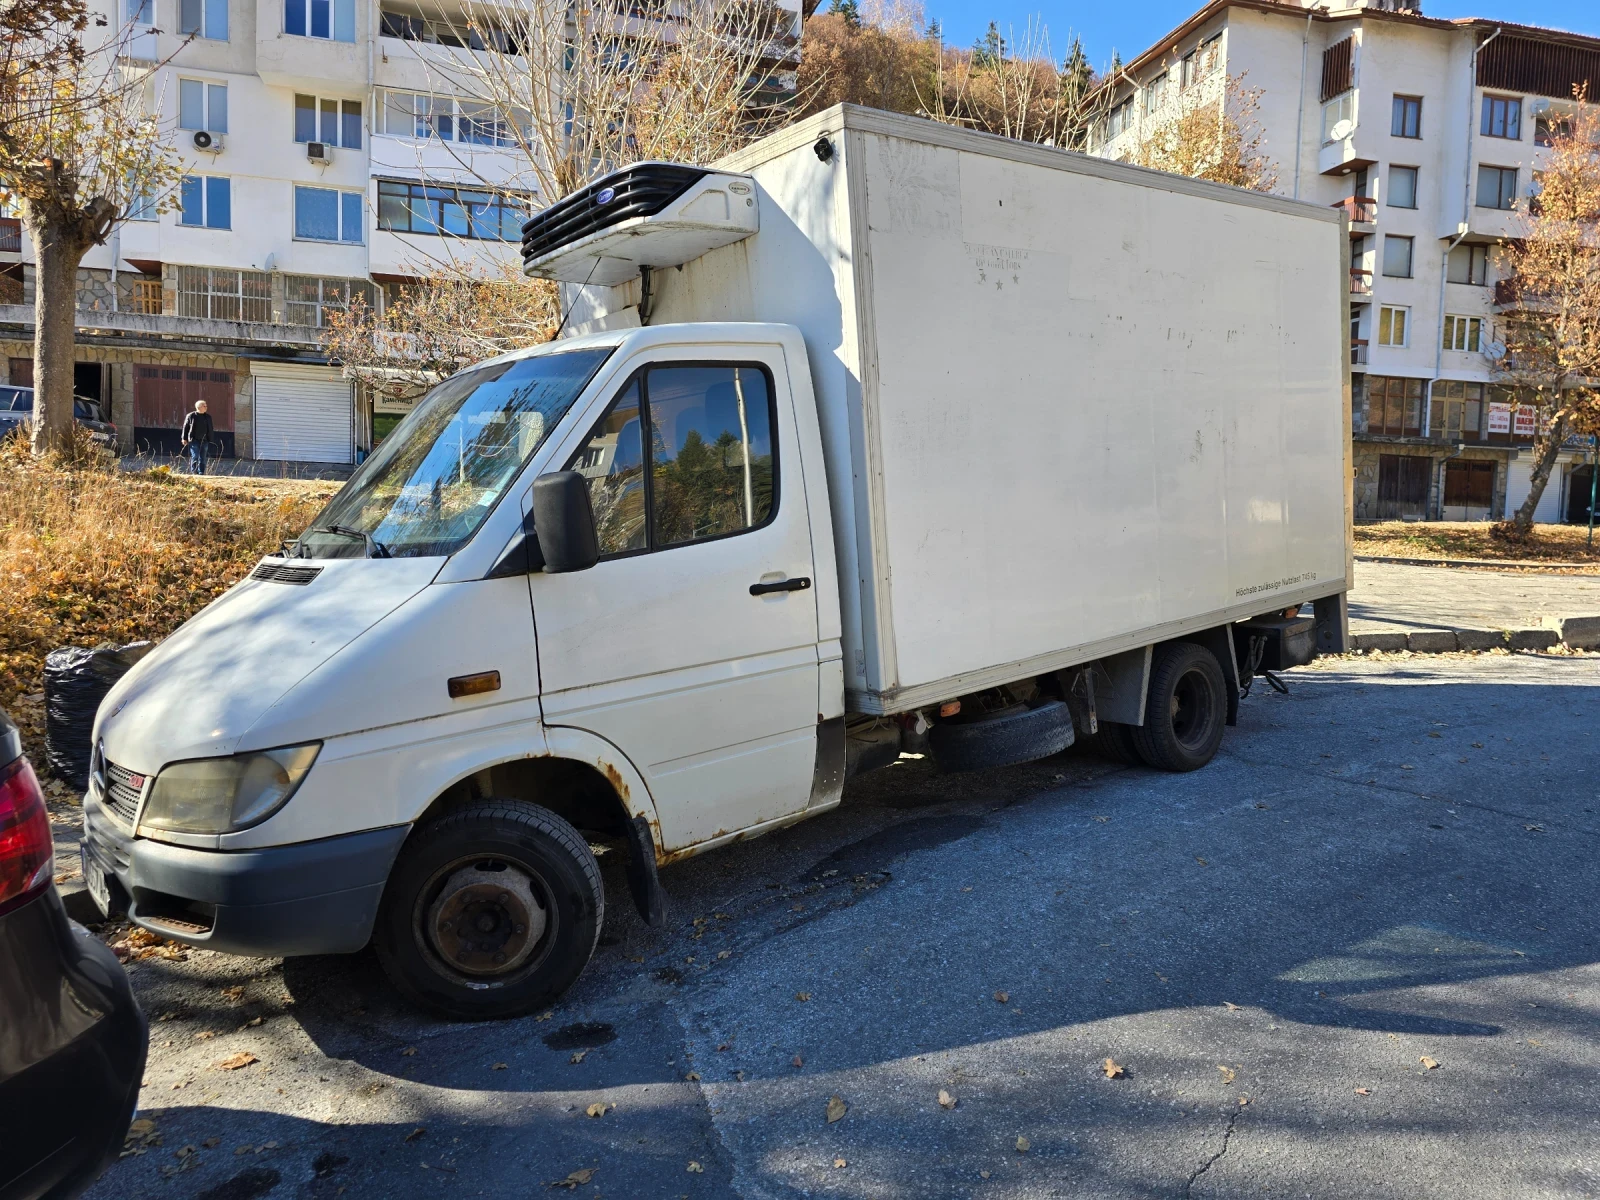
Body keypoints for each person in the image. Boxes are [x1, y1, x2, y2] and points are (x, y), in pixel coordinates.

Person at [181, 399, 213, 475]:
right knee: (195, 456)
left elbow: (210, 428)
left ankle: (201, 472)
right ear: (199, 407)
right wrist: (184, 438)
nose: (206, 407)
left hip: (204, 440)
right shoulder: (191, 416)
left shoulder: (208, 417)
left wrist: (210, 438)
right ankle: (194, 472)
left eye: (206, 406)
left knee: (203, 457)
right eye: (204, 406)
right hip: (194, 440)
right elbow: (185, 428)